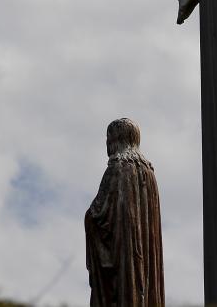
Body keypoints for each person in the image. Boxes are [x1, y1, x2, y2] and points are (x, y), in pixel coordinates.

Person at [85, 118, 165, 307]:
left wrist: (88, 218)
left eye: (108, 138)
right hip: (144, 263)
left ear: (116, 139)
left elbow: (98, 215)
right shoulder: (149, 172)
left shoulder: (117, 168)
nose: (106, 143)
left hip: (124, 261)